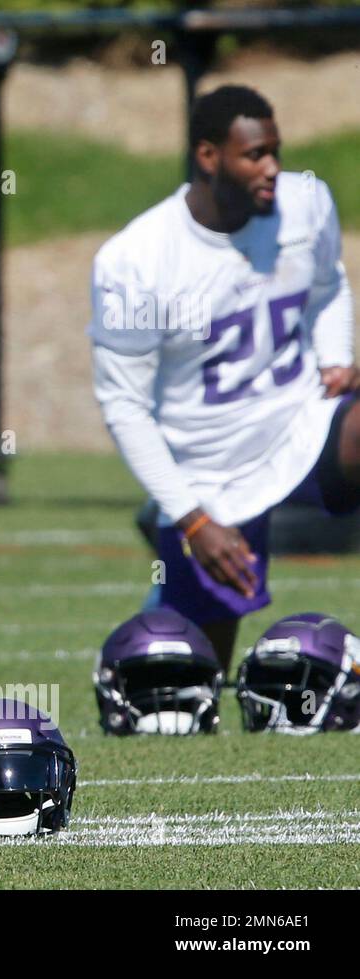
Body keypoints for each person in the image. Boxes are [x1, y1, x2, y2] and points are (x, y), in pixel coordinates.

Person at [89, 85, 359, 670]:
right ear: (209, 157)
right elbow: (124, 407)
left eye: (276, 151)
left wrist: (335, 354)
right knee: (189, 681)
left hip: (302, 418)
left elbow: (329, 284)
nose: (273, 169)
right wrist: (194, 517)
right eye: (255, 155)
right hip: (210, 466)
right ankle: (158, 615)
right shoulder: (136, 259)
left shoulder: (306, 203)